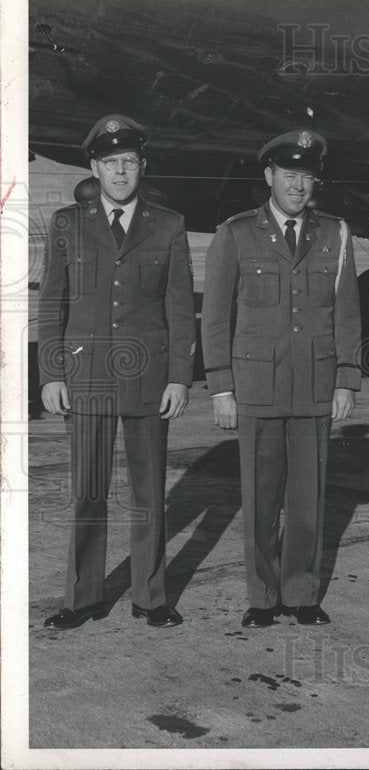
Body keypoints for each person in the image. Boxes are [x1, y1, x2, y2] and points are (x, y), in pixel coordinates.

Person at [38, 114, 196, 629]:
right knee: (87, 491)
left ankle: (151, 598)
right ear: (95, 167)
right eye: (111, 162)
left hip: (149, 381)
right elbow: (53, 304)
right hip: (85, 379)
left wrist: (179, 376)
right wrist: (51, 374)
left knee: (150, 495)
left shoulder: (168, 225)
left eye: (129, 161)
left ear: (141, 166)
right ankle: (82, 598)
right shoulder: (69, 224)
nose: (121, 171)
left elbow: (178, 308)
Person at [201, 129, 362, 628]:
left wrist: (346, 380)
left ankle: (302, 594)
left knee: (308, 498)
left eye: (307, 176)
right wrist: (221, 386)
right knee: (260, 498)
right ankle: (262, 596)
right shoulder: (236, 233)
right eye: (288, 174)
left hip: (314, 385)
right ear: (269, 176)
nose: (298, 185)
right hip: (256, 387)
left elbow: (347, 313)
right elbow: (216, 317)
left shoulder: (335, 233)